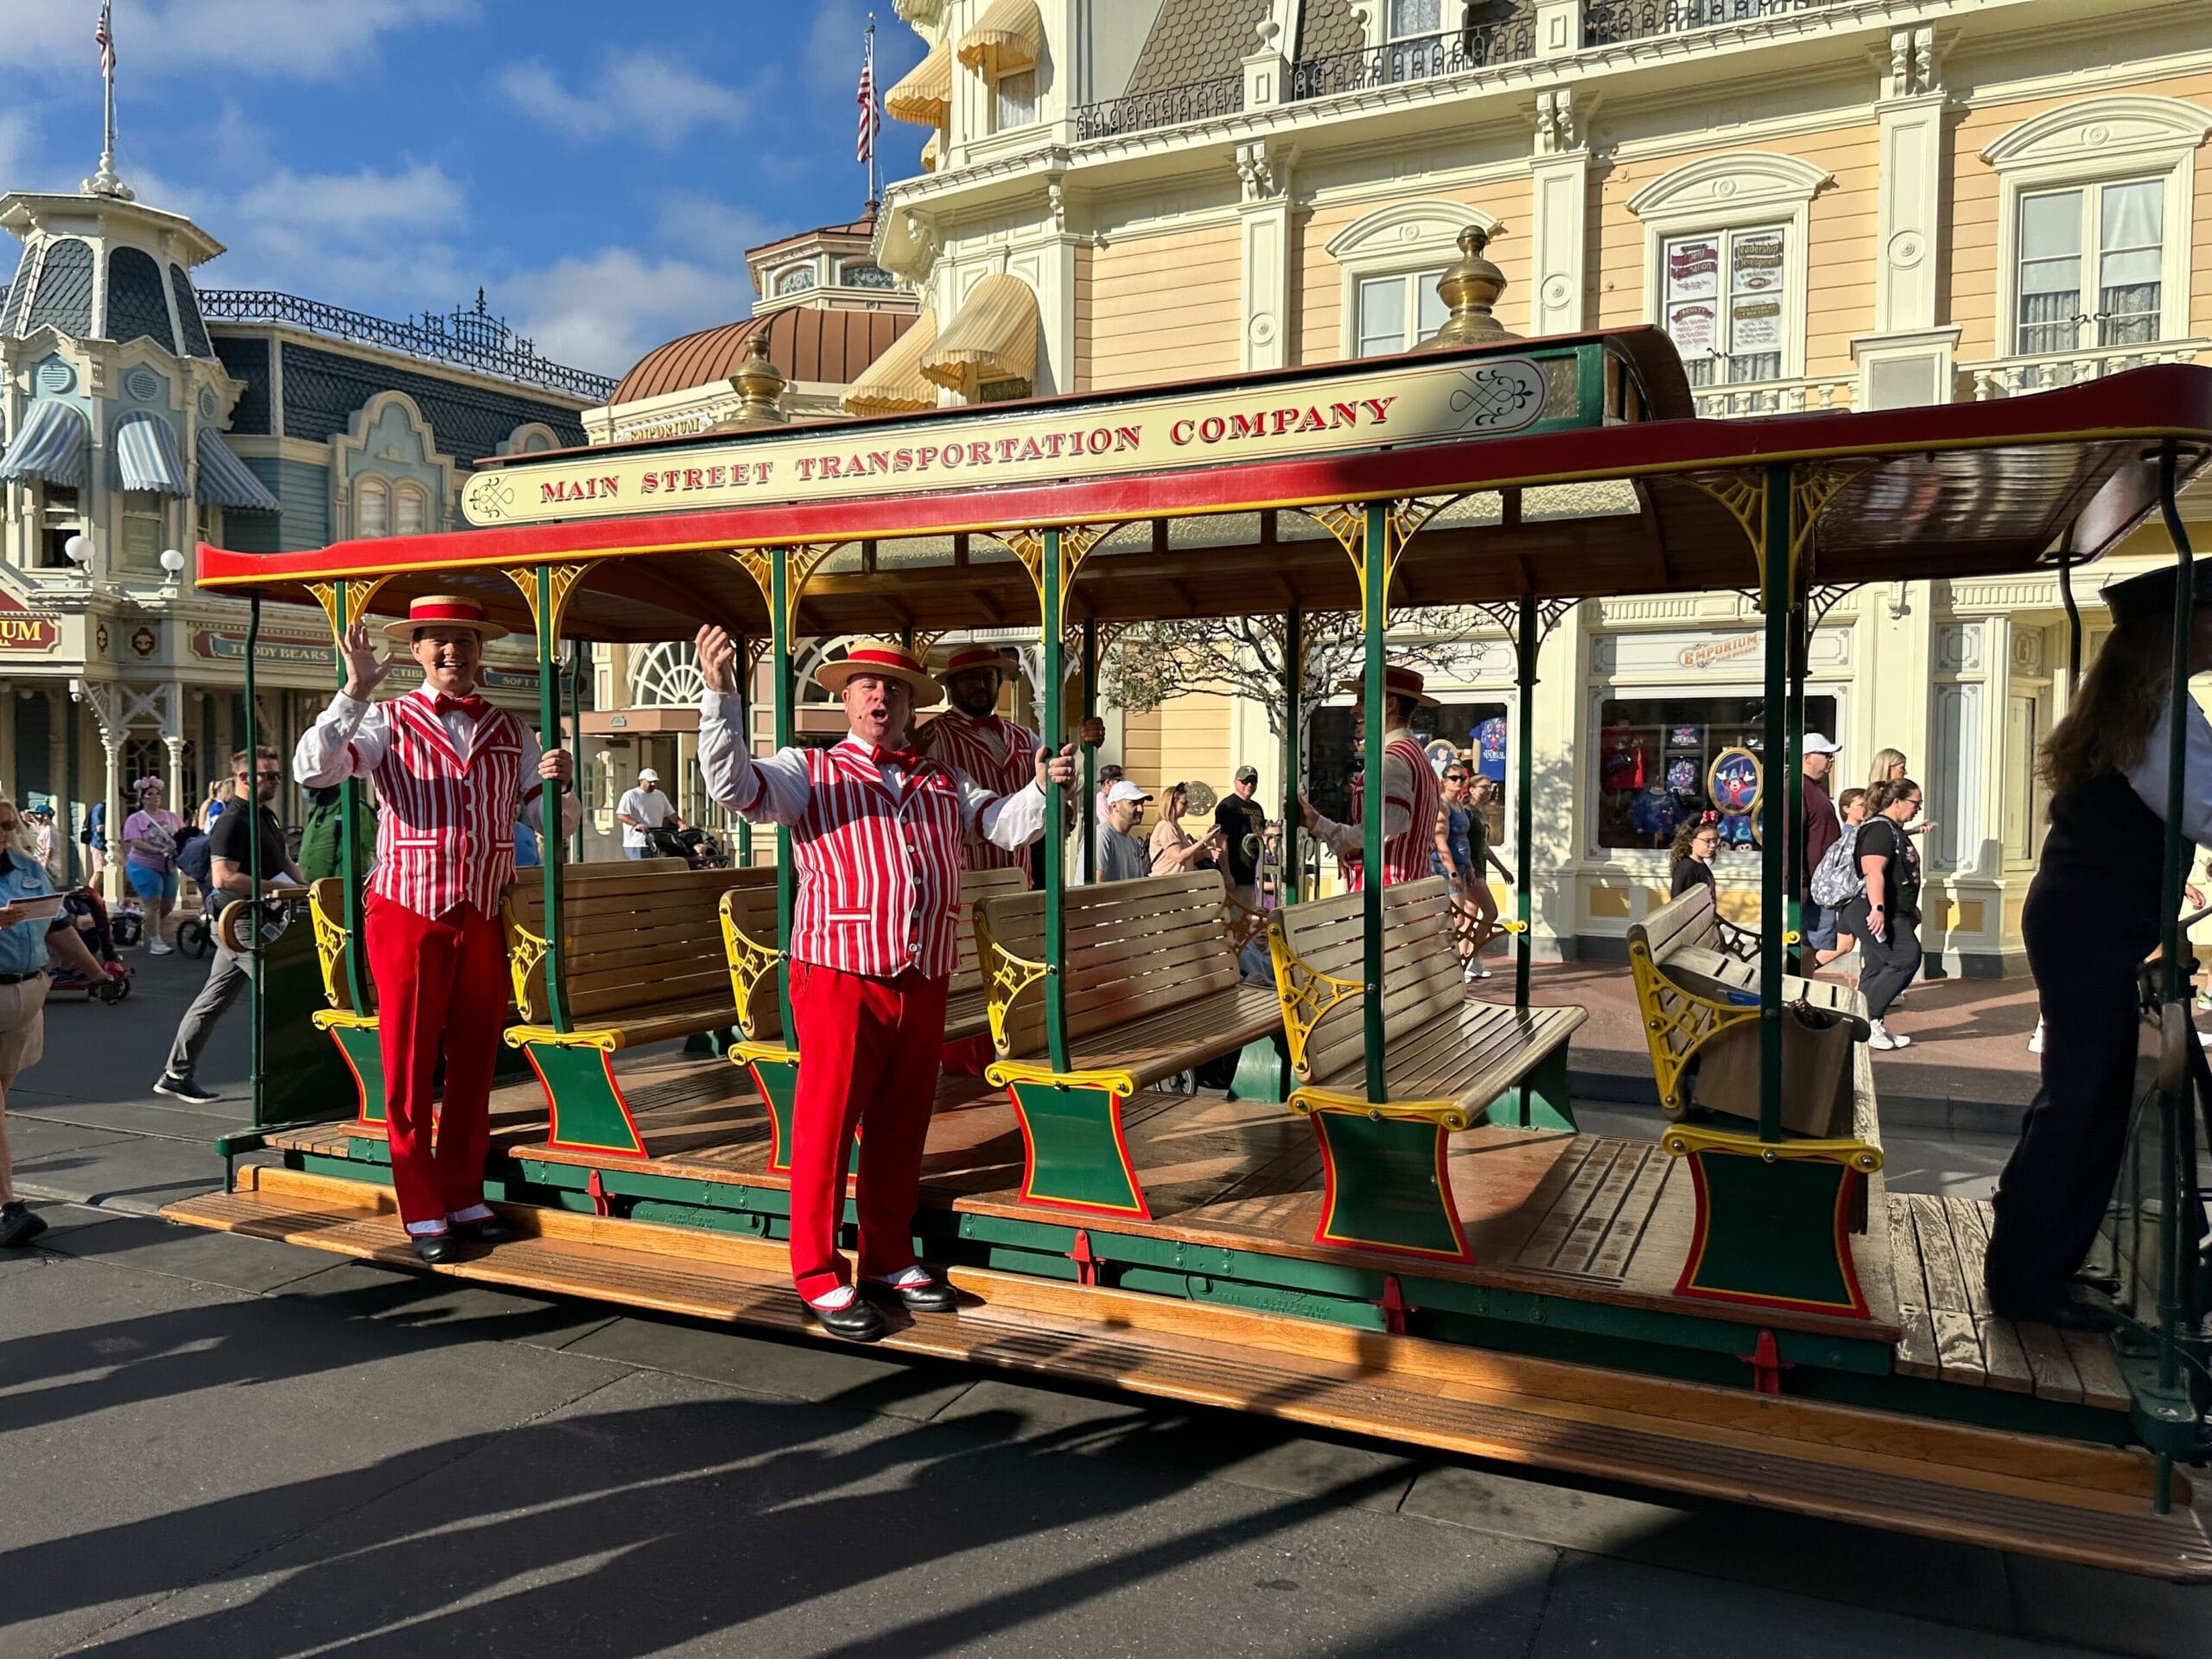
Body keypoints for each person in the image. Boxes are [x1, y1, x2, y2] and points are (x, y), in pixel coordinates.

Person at [695, 627, 1075, 1342]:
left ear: (909, 704)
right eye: (865, 684)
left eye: (893, 687)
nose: (879, 695)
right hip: (841, 972)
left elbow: (1003, 823)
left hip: (923, 970)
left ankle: (887, 1255)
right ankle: (815, 1270)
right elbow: (733, 787)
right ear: (844, 698)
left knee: (903, 1124)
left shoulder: (938, 779)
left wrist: (1043, 786)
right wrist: (720, 697)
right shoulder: (809, 771)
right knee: (827, 1125)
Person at [292, 594, 576, 1262]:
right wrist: (353, 692)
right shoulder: (385, 720)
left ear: (481, 650)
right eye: (437, 640)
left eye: (464, 640)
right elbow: (315, 769)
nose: (452, 652)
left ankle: (464, 1190)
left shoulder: (513, 729)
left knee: (477, 1061)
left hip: (481, 909)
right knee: (410, 1066)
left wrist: (562, 788)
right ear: (416, 650)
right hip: (408, 909)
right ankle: (421, 1207)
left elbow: (550, 824)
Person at [1986, 564, 2212, 1328]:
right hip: (2096, 926)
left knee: (2085, 1096)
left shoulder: (2141, 709)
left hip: (2090, 921)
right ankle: (2026, 1281)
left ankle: (2041, 1260)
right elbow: (2207, 810)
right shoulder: (2157, 716)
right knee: (2083, 1100)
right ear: (2179, 632)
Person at [1, 798, 126, 1246]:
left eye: (6, 824)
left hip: (26, 992)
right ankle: (8, 1207)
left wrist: (97, 973)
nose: (1, 832)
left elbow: (57, 928)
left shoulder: (25, 868)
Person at [151, 748, 306, 1105]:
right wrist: (282, 888)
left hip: (256, 918)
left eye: (277, 775)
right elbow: (224, 878)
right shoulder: (233, 821)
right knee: (286, 991)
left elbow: (282, 859)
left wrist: (306, 888)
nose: (275, 782)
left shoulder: (266, 817)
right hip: (241, 922)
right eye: (267, 776)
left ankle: (176, 1073)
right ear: (243, 779)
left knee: (213, 999)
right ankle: (292, 1079)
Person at [1298, 664, 1442, 891]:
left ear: (1390, 705)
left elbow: (1382, 829)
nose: (1354, 710)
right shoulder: (1416, 756)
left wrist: (1325, 828)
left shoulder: (1390, 760)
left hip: (1385, 906)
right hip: (1406, 899)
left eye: (1362, 701)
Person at [912, 645, 1045, 880]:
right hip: (965, 882)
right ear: (951, 686)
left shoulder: (1024, 736)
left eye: (988, 677)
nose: (980, 685)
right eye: (970, 678)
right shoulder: (932, 736)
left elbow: (1053, 775)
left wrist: (1086, 744)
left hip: (1020, 878)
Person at [1834, 778, 1923, 1051]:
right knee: (1906, 957)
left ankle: (1862, 1023)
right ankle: (1868, 1021)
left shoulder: (1892, 829)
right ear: (1897, 802)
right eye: (1915, 803)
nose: (1918, 809)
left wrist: (1910, 907)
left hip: (1890, 910)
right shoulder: (1879, 830)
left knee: (1875, 965)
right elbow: (1873, 870)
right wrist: (1878, 909)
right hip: (1874, 909)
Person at [1797, 733, 1843, 968]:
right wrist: (1798, 884)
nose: (1830, 760)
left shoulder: (1814, 789)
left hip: (1820, 885)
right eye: (1825, 755)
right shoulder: (1796, 789)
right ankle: (1792, 995)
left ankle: (1802, 995)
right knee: (1798, 945)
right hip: (1808, 887)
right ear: (1807, 758)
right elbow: (1789, 839)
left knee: (1809, 946)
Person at [1075, 779, 1156, 885]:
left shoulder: (1133, 843)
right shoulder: (1101, 836)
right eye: (1133, 804)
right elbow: (1095, 889)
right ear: (1114, 806)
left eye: (1141, 803)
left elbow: (1138, 886)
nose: (1141, 809)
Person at [296, 781, 377, 886]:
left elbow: (378, 848)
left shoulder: (355, 809)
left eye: (309, 782)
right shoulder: (316, 810)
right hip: (311, 890)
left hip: (340, 891)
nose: (305, 787)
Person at [1148, 782, 1225, 876]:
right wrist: (1203, 841)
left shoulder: (1175, 827)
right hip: (1166, 885)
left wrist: (1204, 853)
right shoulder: (1166, 827)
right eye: (1184, 803)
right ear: (1171, 803)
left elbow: (1186, 859)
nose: (1187, 807)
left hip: (1178, 885)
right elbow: (1179, 857)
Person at [615, 766, 683, 860]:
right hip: (637, 843)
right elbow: (621, 815)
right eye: (650, 782)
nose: (653, 784)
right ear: (641, 781)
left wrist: (681, 823)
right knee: (641, 870)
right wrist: (636, 824)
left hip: (656, 841)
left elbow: (671, 814)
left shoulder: (660, 795)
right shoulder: (630, 795)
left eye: (654, 782)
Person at [1669, 819, 1720, 897]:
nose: (1713, 845)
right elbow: (1678, 902)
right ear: (1691, 841)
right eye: (1707, 841)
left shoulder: (1701, 865)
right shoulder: (1686, 867)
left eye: (1715, 841)